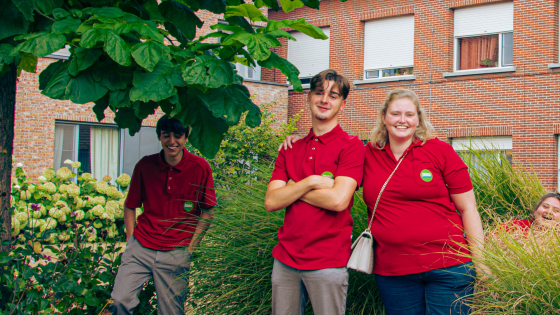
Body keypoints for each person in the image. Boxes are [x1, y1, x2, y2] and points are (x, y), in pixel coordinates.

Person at [362, 89, 484, 315]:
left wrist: (482, 263)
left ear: (418, 119)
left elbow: (468, 208)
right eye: (395, 113)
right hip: (394, 271)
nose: (402, 120)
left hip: (449, 266)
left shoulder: (440, 151)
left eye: (409, 114)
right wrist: (298, 141)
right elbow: (333, 161)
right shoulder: (367, 154)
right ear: (384, 117)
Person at [264, 69, 365, 315]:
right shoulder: (291, 147)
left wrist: (291, 187)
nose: (324, 100)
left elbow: (338, 200)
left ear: (342, 104)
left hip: (328, 261)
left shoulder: (352, 147)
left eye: (333, 96)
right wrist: (309, 182)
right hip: (285, 260)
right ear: (309, 97)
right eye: (319, 93)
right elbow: (271, 201)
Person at [111, 115, 216, 315]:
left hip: (176, 251)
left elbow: (208, 211)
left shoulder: (200, 167)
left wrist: (191, 247)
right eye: (166, 135)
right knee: (119, 300)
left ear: (186, 137)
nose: (171, 141)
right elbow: (130, 206)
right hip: (141, 247)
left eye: (177, 136)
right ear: (159, 137)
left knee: (171, 312)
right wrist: (131, 239)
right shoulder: (145, 166)